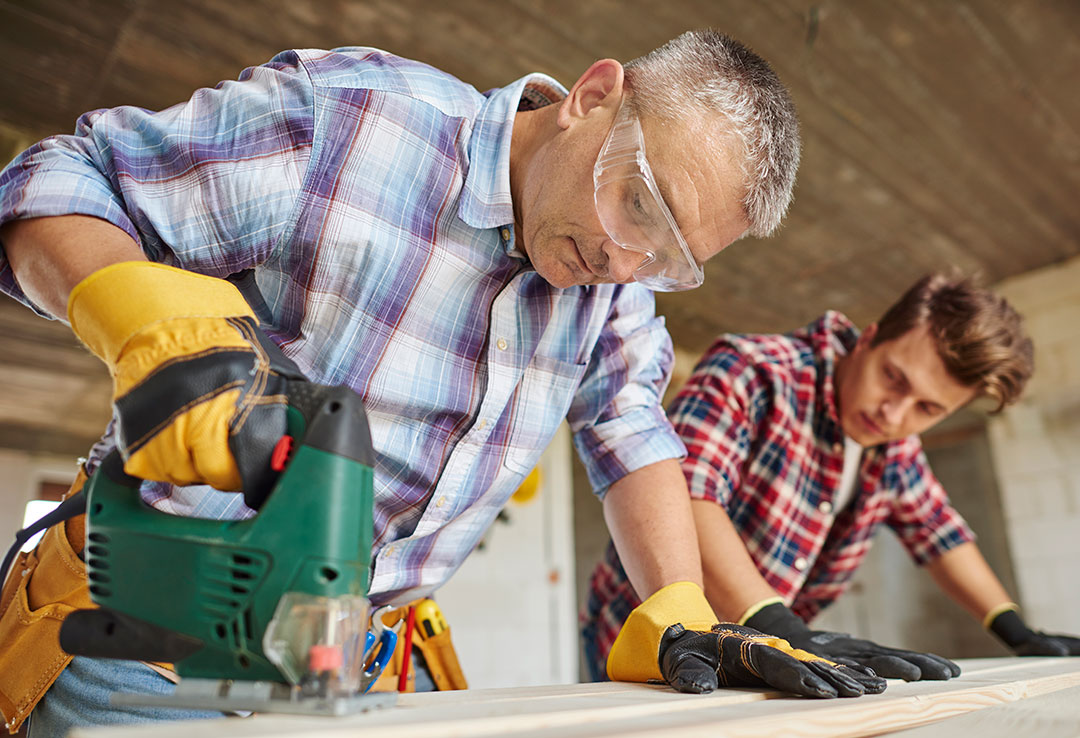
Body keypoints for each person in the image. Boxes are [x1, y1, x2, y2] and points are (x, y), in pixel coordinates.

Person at [0, 29, 888, 737]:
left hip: (344, 672)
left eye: (668, 259)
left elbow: (631, 427)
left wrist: (682, 606)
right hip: (144, 653)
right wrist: (146, 323)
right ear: (591, 97)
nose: (625, 258)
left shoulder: (614, 289)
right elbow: (57, 178)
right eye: (636, 203)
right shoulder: (353, 122)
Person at [583, 273, 1080, 684]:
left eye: (927, 408)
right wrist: (776, 626)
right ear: (868, 338)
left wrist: (1016, 631)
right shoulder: (755, 370)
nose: (893, 413)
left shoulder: (895, 449)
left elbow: (941, 534)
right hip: (651, 634)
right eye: (893, 377)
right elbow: (689, 491)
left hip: (766, 649)